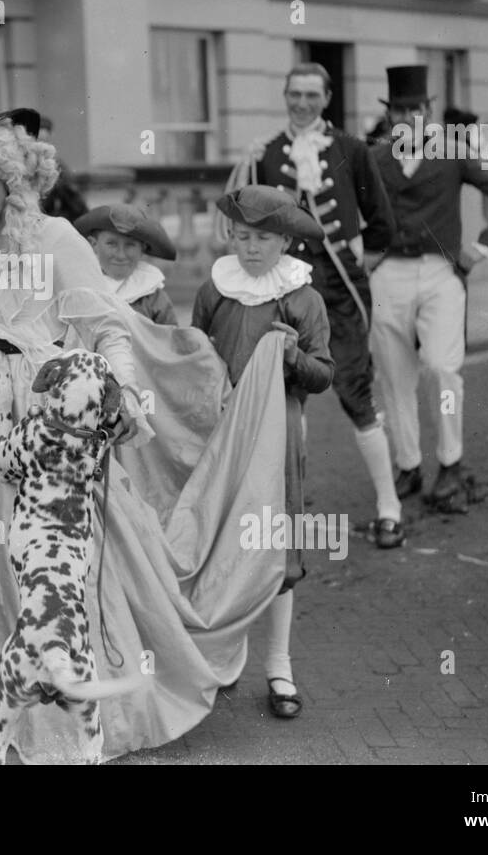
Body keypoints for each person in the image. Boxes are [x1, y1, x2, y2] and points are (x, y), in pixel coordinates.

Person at [0, 104, 301, 763]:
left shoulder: (54, 239)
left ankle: (64, 719)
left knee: (48, 567)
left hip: (40, 415)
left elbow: (108, 327)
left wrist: (117, 394)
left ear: (12, 179)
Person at [228, 63, 403, 548]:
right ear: (285, 96)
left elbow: (381, 222)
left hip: (340, 287)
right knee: (285, 396)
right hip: (280, 289)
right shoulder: (264, 153)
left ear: (326, 98)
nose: (302, 103)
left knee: (353, 391)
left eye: (311, 94)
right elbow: (241, 219)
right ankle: (288, 512)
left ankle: (390, 507)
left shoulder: (351, 150)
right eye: (294, 94)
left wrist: (355, 265)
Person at [193, 185, 333, 719]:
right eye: (244, 236)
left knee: (276, 546)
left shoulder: (303, 299)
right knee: (217, 540)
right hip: (221, 435)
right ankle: (216, 660)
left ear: (286, 241)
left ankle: (279, 666)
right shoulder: (215, 291)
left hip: (279, 435)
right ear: (231, 236)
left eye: (265, 239)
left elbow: (323, 376)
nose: (252, 249)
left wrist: (295, 355)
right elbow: (194, 353)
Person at [368, 66, 488, 513]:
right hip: (389, 274)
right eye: (400, 109)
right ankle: (408, 464)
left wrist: (482, 249)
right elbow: (342, 200)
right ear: (391, 114)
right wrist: (364, 253)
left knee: (441, 366)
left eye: (416, 108)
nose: (408, 117)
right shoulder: (375, 158)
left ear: (428, 110)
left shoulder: (454, 151)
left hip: (441, 274)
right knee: (393, 375)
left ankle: (450, 462)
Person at [74, 203, 179, 324]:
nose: (121, 255)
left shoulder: (153, 296)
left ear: (142, 249)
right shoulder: (78, 289)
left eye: (130, 245)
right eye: (111, 244)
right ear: (93, 244)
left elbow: (172, 339)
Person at [37, 116, 89, 221]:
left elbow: (75, 202)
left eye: (44, 143)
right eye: (37, 143)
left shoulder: (57, 165)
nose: (41, 148)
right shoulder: (19, 164)